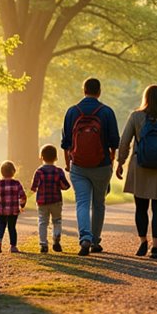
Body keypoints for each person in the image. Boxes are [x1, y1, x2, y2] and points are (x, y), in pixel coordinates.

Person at [116, 84, 157, 259]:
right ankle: (156, 248)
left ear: (145, 98)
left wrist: (120, 162)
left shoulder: (136, 116)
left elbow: (124, 142)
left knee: (141, 208)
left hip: (140, 167)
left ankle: (143, 242)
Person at [61, 78, 120, 256]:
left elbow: (65, 143)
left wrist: (68, 164)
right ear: (99, 91)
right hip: (102, 165)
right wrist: (111, 161)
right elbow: (114, 142)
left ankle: (84, 238)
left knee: (82, 203)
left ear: (83, 90)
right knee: (99, 203)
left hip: (78, 165)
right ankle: (95, 241)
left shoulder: (72, 111)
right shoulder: (107, 112)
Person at [31, 144, 71, 253]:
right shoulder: (59, 171)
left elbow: (34, 187)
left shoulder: (39, 172)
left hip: (42, 202)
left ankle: (43, 244)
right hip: (56, 201)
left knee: (43, 222)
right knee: (57, 220)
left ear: (41, 157)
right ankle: (56, 238)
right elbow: (65, 186)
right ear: (56, 158)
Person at [0, 160, 27, 253]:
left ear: (1, 172)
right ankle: (13, 247)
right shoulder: (17, 183)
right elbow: (23, 196)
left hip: (1, 210)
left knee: (1, 225)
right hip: (13, 211)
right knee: (12, 227)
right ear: (14, 171)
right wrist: (22, 205)